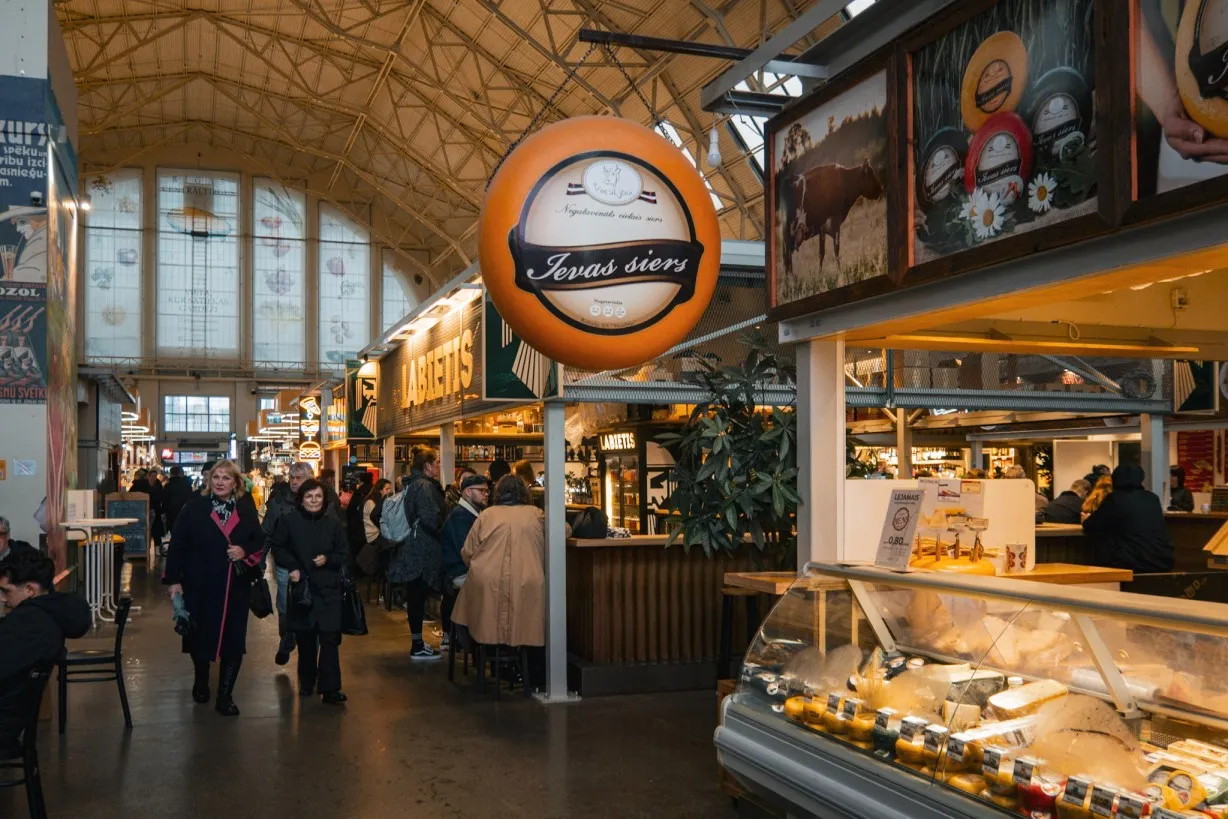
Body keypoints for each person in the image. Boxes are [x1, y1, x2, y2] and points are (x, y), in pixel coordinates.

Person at [163, 460, 266, 716]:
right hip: (200, 585)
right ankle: (201, 679)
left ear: (236, 483)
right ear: (209, 481)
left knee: (234, 639)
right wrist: (174, 581)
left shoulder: (245, 508)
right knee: (199, 636)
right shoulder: (194, 507)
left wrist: (244, 550)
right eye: (216, 477)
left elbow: (259, 539)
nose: (220, 482)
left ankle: (225, 695)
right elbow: (177, 545)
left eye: (226, 478)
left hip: (235, 586)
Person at [0, 551, 90, 752]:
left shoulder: (28, 624)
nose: (3, 599)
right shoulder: (49, 615)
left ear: (30, 590)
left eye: (6, 591)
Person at [270, 479, 350, 704]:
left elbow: (344, 554)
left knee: (330, 638)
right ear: (301, 499)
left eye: (318, 496)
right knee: (305, 638)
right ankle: (306, 682)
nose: (314, 501)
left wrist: (329, 559)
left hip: (329, 589)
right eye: (309, 497)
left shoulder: (332, 524)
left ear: (324, 500)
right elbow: (278, 548)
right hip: (303, 588)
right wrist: (293, 567)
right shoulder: (289, 521)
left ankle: (331, 688)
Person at [454, 475, 545, 653]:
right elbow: (563, 529)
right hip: (528, 582)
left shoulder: (486, 515)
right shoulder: (536, 514)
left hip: (487, 582)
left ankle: (485, 656)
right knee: (522, 624)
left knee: (471, 609)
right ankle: (518, 662)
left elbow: (468, 551)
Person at [386, 446, 445, 660]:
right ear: (428, 466)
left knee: (415, 597)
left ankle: (417, 642)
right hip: (421, 549)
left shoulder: (411, 484)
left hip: (411, 547)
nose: (439, 466)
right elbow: (430, 518)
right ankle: (418, 644)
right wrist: (442, 529)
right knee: (418, 596)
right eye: (437, 462)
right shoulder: (424, 486)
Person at [263, 462, 313, 665]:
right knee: (285, 606)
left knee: (311, 608)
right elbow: (266, 532)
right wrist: (258, 562)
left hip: (313, 566)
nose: (294, 482)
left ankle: (308, 659)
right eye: (292, 477)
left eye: (299, 478)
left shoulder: (320, 499)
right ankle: (287, 638)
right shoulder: (279, 502)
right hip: (285, 564)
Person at [1083, 464, 1174, 574]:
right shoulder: (1152, 498)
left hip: (1131, 561)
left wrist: (1086, 519)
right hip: (1162, 559)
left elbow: (1090, 526)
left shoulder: (1115, 499)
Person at [439, 475, 489, 652]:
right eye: (481, 491)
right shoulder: (461, 516)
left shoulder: (468, 514)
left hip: (462, 569)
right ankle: (485, 640)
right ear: (468, 492)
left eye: (487, 491)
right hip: (459, 572)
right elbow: (467, 552)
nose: (486, 494)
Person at [355, 478, 393, 576]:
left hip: (375, 533)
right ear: (380, 489)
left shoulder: (376, 501)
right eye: (387, 489)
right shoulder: (371, 502)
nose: (389, 491)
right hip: (373, 535)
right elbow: (377, 520)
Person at [346, 471, 374, 559]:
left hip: (357, 530)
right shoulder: (373, 492)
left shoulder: (358, 492)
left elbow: (350, 511)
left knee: (357, 555)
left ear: (361, 480)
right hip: (371, 531)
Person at [162, 465, 195, 533]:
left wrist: (163, 512)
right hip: (185, 513)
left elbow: (165, 500)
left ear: (171, 474)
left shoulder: (168, 486)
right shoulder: (187, 485)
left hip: (171, 514)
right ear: (180, 473)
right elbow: (190, 500)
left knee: (174, 532)